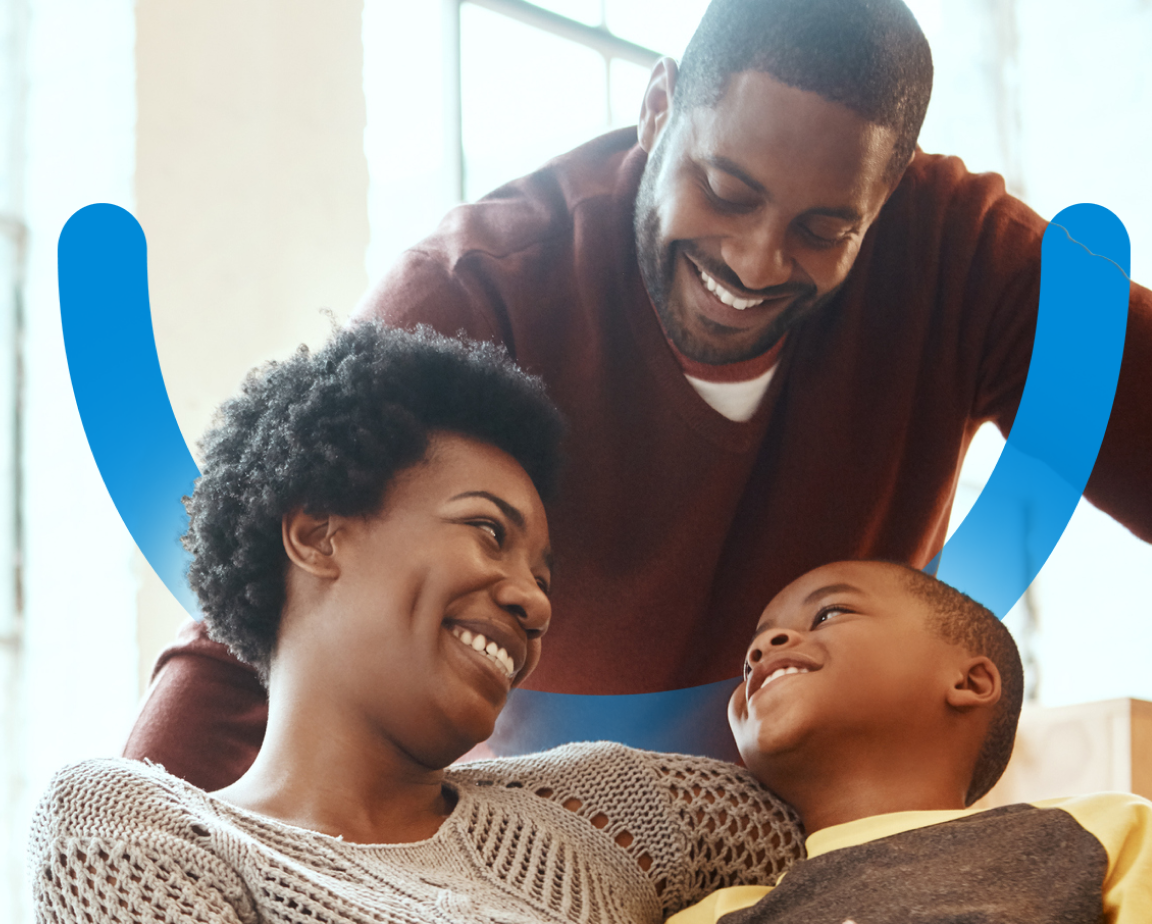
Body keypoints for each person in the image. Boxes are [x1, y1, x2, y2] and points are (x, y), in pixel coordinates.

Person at [124, 0, 1152, 784]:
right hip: (541, 849)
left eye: (823, 230)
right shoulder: (477, 291)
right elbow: (260, 629)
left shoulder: (964, 258)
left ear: (889, 197)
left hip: (833, 841)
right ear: (657, 107)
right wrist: (144, 859)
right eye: (727, 189)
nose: (754, 260)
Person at [29, 323, 804, 924]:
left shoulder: (609, 805)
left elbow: (875, 827)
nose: (535, 605)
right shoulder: (130, 827)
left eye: (542, 576)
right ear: (318, 533)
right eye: (489, 533)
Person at [669, 560, 1152, 923]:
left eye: (828, 613)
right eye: (749, 657)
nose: (762, 648)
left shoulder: (1103, 830)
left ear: (970, 682)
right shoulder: (713, 913)